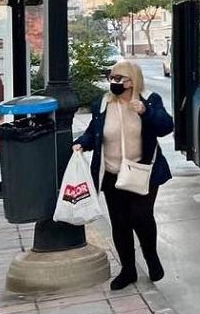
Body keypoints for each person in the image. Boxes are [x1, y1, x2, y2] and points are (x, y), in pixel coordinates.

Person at [72, 60, 174, 290]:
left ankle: (151, 258)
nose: (114, 82)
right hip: (111, 173)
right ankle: (128, 270)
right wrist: (81, 144)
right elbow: (93, 133)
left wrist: (145, 112)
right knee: (119, 223)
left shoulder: (149, 100)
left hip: (142, 171)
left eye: (120, 79)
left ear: (132, 80)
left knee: (141, 216)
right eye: (112, 78)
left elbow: (166, 127)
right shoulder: (103, 103)